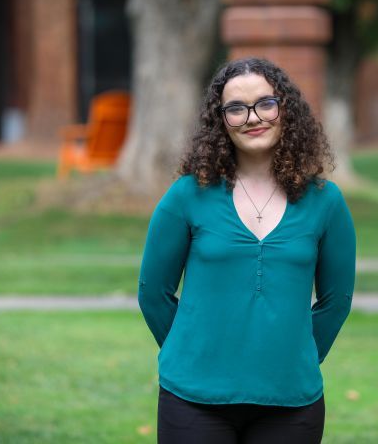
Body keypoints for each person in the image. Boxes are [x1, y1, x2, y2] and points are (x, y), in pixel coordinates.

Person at [138, 57, 356, 443]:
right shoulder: (188, 195)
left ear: (284, 107)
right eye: (236, 108)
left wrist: (294, 352)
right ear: (220, 120)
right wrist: (194, 349)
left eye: (265, 103)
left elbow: (336, 301)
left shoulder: (326, 202)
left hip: (291, 402)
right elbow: (153, 294)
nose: (253, 117)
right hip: (193, 400)